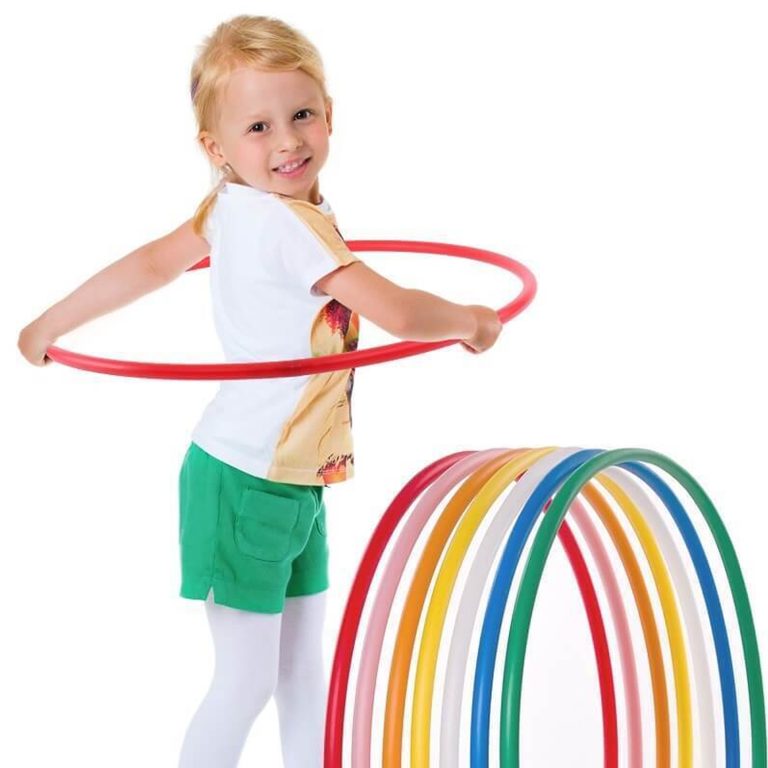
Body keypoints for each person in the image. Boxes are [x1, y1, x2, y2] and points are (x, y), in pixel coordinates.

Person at [17, 14, 503, 768]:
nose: (286, 142)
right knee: (247, 681)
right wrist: (473, 321)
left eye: (301, 114)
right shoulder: (286, 227)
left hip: (294, 478)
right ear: (215, 148)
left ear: (329, 114)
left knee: (302, 673)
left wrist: (51, 321)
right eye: (257, 127)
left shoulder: (232, 207)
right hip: (244, 480)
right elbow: (402, 314)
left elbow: (153, 263)